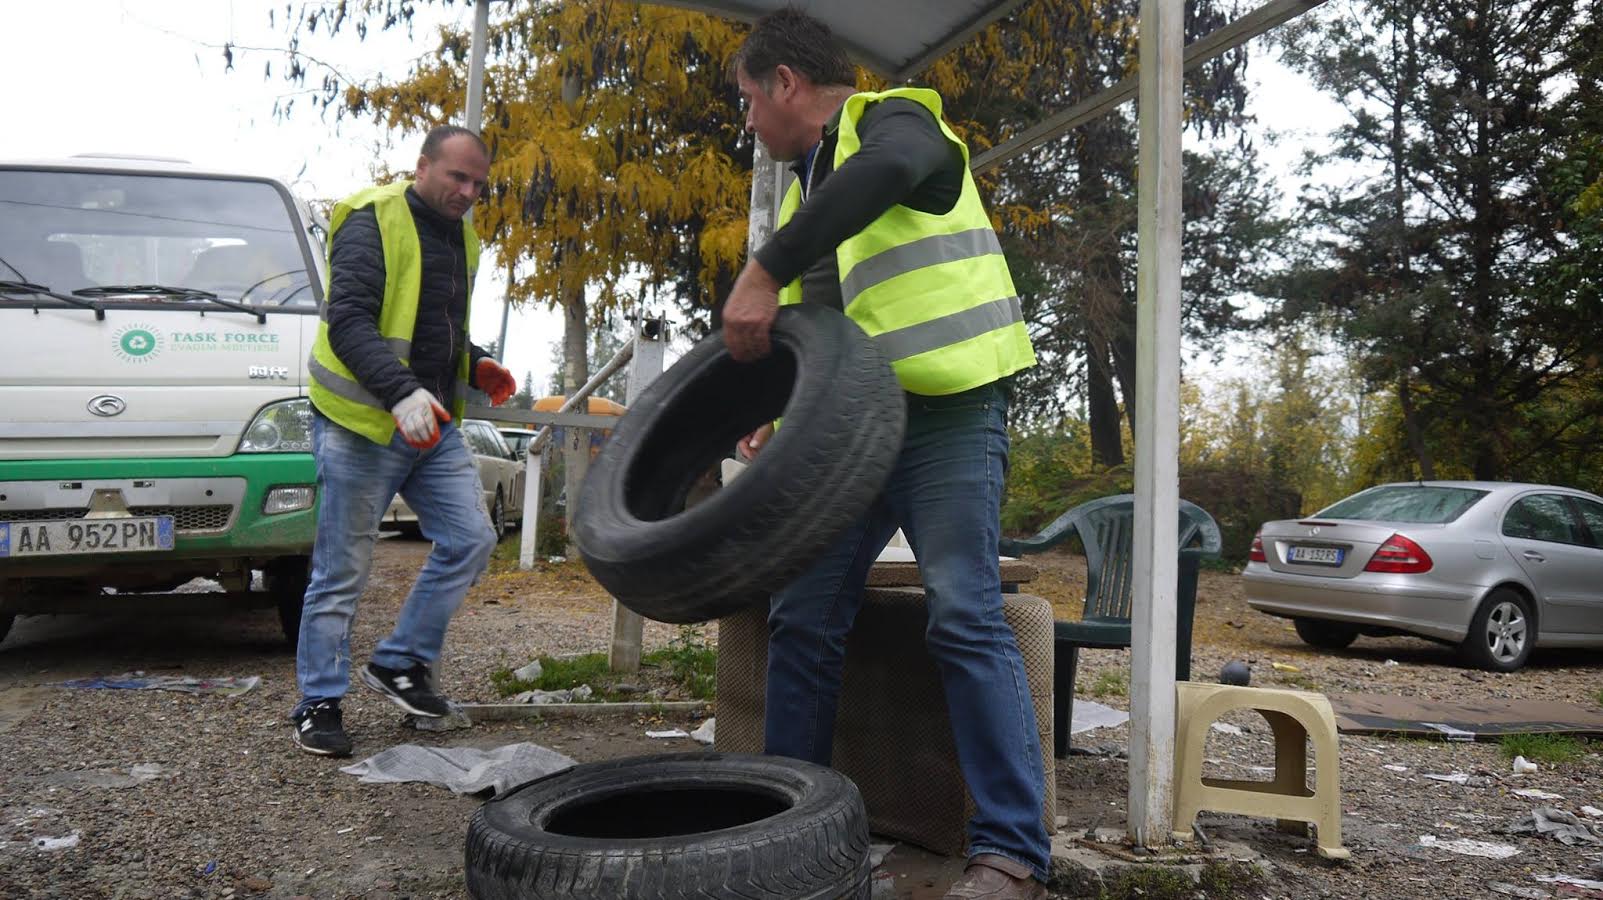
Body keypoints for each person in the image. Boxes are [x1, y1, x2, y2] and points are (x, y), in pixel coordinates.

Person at [722, 10, 1048, 900]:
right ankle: (792, 826)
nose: (749, 122)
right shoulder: (806, 193)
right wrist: (784, 412)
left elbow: (895, 175)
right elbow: (831, 333)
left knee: (964, 613)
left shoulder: (899, 120)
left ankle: (1011, 850)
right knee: (803, 616)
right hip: (855, 430)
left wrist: (762, 270)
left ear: (787, 83)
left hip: (949, 415)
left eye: (750, 100)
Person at [291, 125, 518, 757]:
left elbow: (431, 327)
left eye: (478, 183)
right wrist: (400, 392)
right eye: (457, 178)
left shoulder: (462, 236)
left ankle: (400, 661)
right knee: (342, 570)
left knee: (472, 538)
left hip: (430, 422)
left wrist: (474, 365)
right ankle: (318, 702)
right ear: (423, 167)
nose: (468, 193)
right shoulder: (372, 217)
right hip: (362, 422)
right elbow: (350, 322)